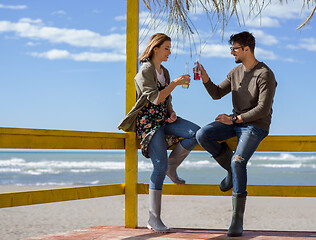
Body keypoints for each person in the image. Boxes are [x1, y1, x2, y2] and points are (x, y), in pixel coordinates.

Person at [195, 31, 277, 237]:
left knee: (238, 160)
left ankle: (236, 219)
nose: (232, 52)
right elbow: (216, 93)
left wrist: (234, 120)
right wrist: (206, 79)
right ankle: (230, 171)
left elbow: (262, 109)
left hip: (255, 125)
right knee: (202, 134)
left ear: (246, 49)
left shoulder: (265, 74)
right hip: (235, 122)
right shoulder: (235, 72)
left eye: (234, 49)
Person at [118, 33, 200, 233]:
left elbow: (166, 99)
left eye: (170, 48)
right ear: (155, 48)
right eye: (166, 48)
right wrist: (176, 84)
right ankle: (154, 219)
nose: (169, 52)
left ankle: (173, 165)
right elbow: (154, 99)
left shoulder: (165, 71)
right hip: (149, 123)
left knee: (196, 133)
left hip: (164, 118)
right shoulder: (145, 69)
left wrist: (171, 113)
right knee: (158, 166)